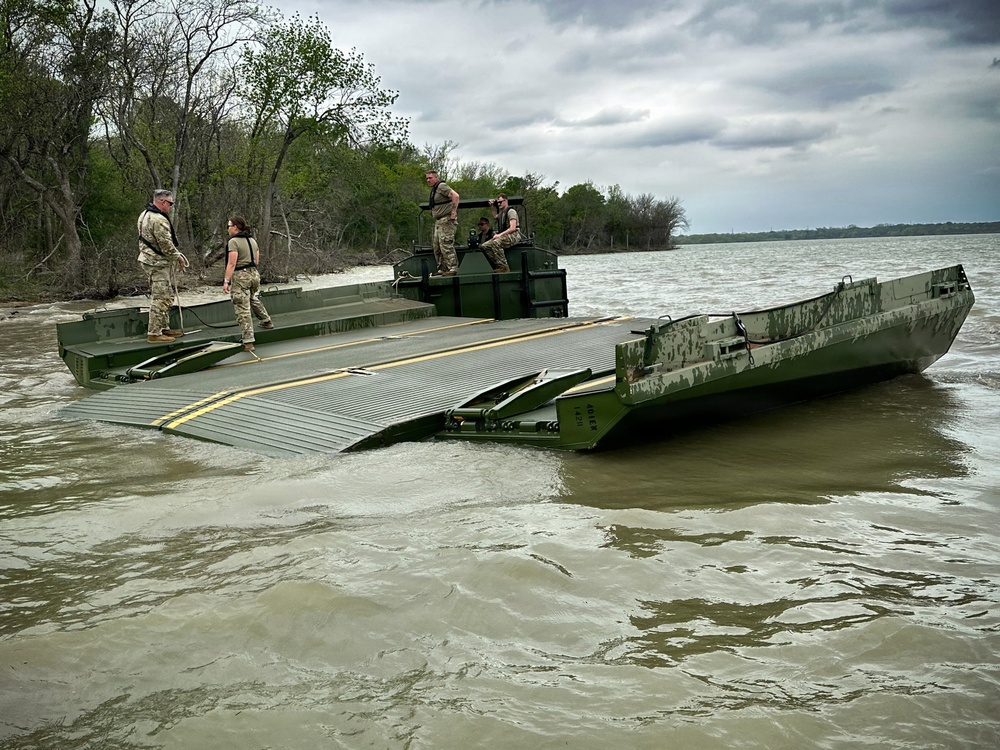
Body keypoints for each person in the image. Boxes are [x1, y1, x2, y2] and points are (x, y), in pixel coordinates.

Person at [137, 189, 189, 343]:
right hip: (156, 263)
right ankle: (154, 333)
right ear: (161, 202)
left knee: (166, 294)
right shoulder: (158, 219)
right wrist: (178, 257)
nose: (171, 206)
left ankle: (163, 327)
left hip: (150, 260)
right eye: (170, 203)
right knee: (160, 298)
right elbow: (165, 243)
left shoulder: (144, 215)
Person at [223, 216, 273, 352]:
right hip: (254, 274)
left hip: (241, 275)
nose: (228, 229)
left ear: (235, 227)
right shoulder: (252, 240)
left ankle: (248, 341)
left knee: (242, 307)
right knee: (251, 298)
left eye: (229, 226)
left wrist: (226, 280)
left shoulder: (233, 242)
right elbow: (256, 260)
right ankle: (266, 320)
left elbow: (232, 263)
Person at [425, 170, 460, 275]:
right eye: (427, 178)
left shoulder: (441, 186)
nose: (428, 180)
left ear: (436, 177)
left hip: (446, 220)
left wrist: (453, 211)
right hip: (439, 221)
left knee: (446, 244)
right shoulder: (434, 189)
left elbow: (456, 196)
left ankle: (453, 268)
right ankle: (442, 268)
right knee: (437, 246)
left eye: (430, 178)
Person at [480, 194, 521, 273]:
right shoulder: (502, 213)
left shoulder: (511, 212)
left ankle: (504, 267)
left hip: (514, 235)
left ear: (506, 201)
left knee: (496, 242)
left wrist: (499, 235)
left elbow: (513, 228)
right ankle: (498, 264)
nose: (499, 204)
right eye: (498, 202)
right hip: (506, 235)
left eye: (500, 202)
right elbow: (495, 216)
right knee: (485, 246)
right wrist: (492, 206)